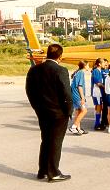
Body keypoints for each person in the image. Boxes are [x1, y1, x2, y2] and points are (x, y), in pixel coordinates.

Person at [25, 44, 73, 182]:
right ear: (60, 56)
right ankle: (54, 172)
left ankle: (43, 170)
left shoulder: (34, 70)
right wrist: (69, 110)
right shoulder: (60, 70)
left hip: (42, 111)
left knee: (46, 140)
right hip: (58, 113)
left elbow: (29, 90)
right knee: (56, 142)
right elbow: (66, 93)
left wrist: (36, 107)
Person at [69, 60, 90, 135]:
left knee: (78, 111)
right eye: (88, 65)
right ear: (84, 66)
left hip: (74, 94)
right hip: (77, 95)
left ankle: (78, 128)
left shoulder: (78, 72)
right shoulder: (81, 73)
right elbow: (79, 86)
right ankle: (73, 127)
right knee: (84, 110)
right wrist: (83, 98)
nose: (89, 66)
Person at [91, 58, 104, 130]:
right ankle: (97, 124)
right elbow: (98, 83)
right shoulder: (96, 71)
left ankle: (98, 122)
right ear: (99, 64)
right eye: (103, 62)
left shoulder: (100, 71)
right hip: (97, 92)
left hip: (99, 91)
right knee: (98, 106)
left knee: (99, 107)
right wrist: (106, 87)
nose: (104, 64)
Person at [100, 58, 110, 129]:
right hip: (104, 91)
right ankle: (103, 121)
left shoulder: (108, 71)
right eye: (105, 63)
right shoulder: (102, 71)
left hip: (108, 91)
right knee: (105, 107)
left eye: (107, 63)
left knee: (108, 107)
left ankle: (107, 120)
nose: (106, 65)